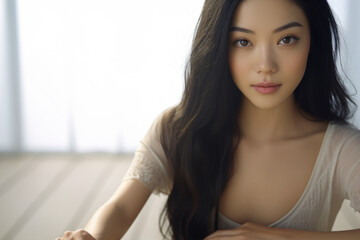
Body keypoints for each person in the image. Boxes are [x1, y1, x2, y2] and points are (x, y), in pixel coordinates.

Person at [57, 0, 360, 239]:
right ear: (217, 47)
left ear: (313, 42)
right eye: (243, 42)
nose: (266, 65)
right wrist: (91, 237)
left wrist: (281, 238)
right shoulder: (177, 130)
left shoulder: (342, 149)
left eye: (287, 39)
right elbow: (121, 207)